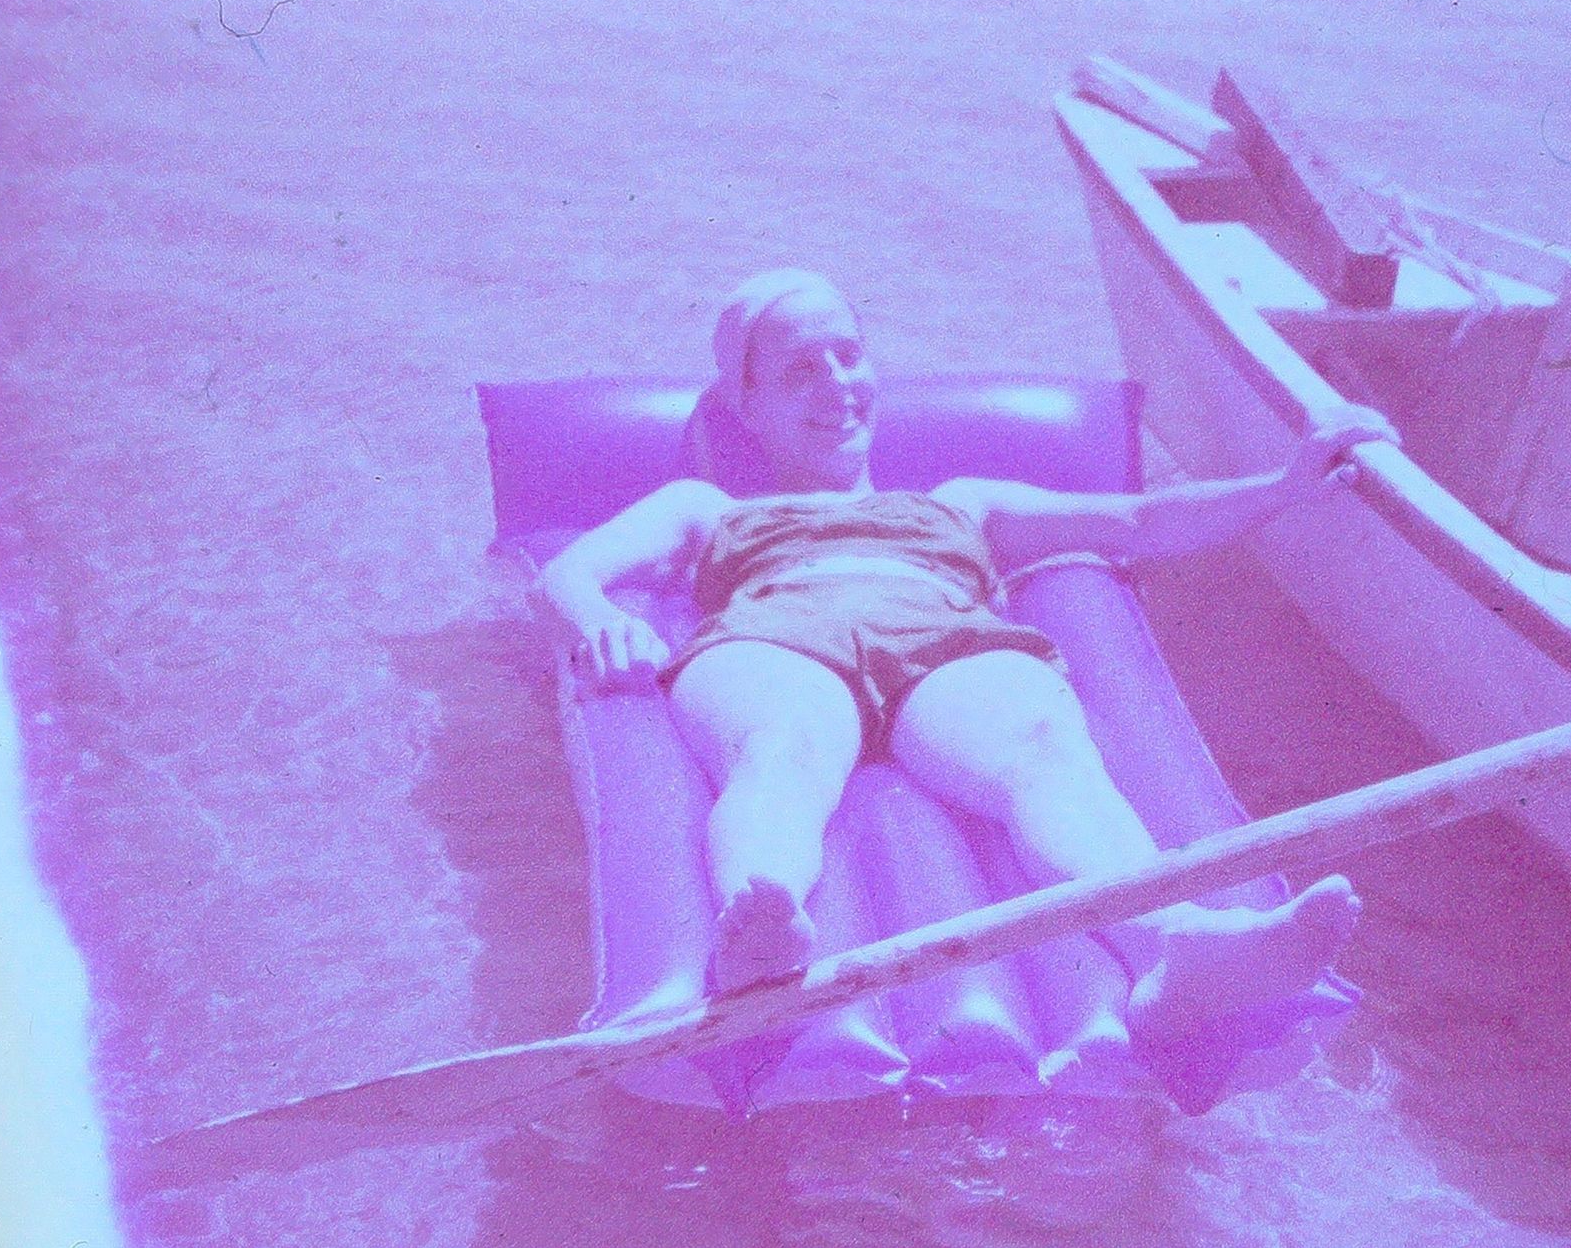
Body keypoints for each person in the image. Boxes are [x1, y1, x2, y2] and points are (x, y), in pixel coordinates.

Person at [538, 268, 1388, 1047]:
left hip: (944, 639)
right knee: (782, 751)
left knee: (1045, 754)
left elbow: (1139, 522)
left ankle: (1172, 951)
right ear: (745, 404)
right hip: (778, 635)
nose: (836, 385)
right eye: (800, 371)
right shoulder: (706, 507)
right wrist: (599, 621)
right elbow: (569, 574)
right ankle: (762, 928)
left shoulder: (963, 503)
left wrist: (1285, 486)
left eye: (848, 356)